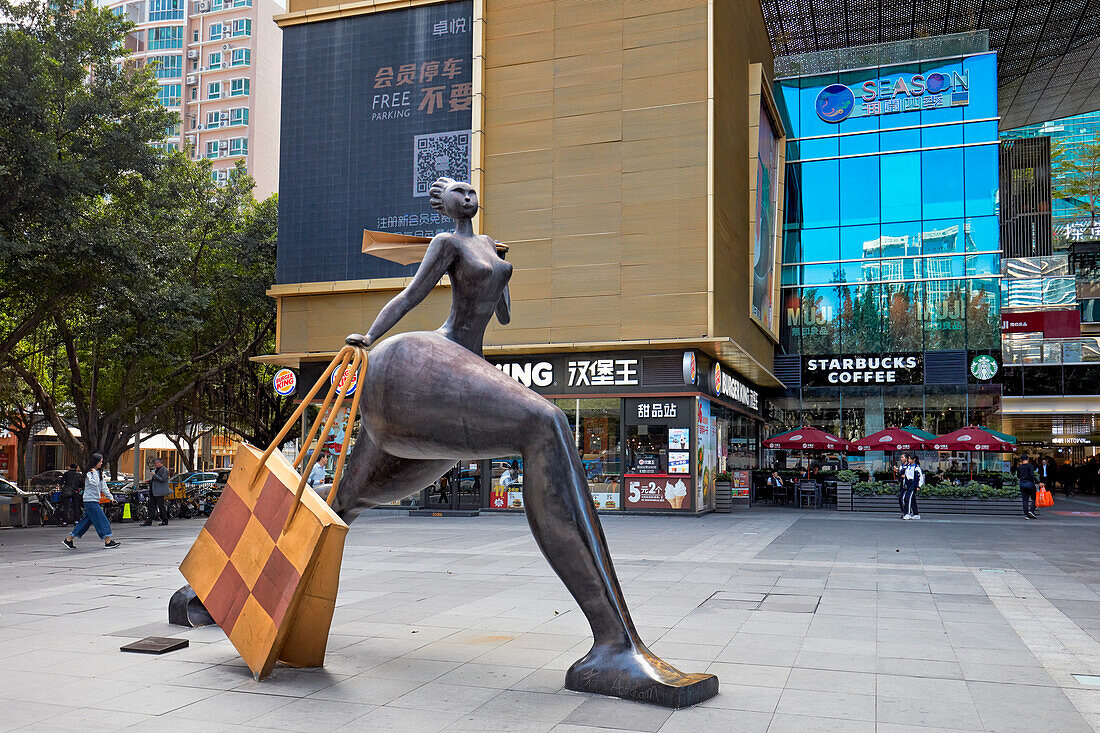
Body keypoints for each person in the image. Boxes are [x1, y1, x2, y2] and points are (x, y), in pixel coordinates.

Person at [335, 177, 715, 702]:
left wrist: (502, 275)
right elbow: (411, 295)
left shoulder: (489, 247)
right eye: (456, 193)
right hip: (418, 363)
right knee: (547, 422)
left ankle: (230, 589)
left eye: (470, 192)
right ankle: (613, 642)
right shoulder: (448, 244)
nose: (467, 198)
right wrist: (367, 339)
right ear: (441, 205)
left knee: (345, 497)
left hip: (461, 366)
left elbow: (504, 314)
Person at [62, 453, 120, 549]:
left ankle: (68, 539)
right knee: (102, 520)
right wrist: (94, 473)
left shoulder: (99, 473)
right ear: (95, 462)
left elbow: (104, 487)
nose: (101, 463)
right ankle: (108, 541)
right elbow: (94, 483)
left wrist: (111, 498)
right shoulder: (89, 473)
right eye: (100, 461)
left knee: (85, 522)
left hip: (93, 501)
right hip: (90, 501)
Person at [143, 457, 170, 526]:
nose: (155, 465)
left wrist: (154, 475)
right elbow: (156, 480)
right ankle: (149, 521)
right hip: (154, 491)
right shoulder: (158, 470)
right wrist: (150, 481)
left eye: (155, 463)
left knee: (161, 506)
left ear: (159, 463)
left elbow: (162, 479)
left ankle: (165, 520)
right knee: (151, 506)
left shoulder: (164, 470)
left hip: (159, 491)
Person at [901, 454, 923, 520]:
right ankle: (916, 514)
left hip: (913, 484)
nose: (909, 460)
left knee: (908, 498)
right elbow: (906, 475)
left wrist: (919, 486)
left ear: (914, 460)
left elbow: (920, 477)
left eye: (910, 459)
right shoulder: (908, 466)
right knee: (912, 499)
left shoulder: (916, 468)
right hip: (908, 483)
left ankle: (908, 513)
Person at [1017, 454, 1039, 520]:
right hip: (1030, 484)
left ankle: (1026, 514)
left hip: (1022, 484)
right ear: (1028, 459)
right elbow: (1032, 475)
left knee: (1025, 500)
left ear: (1021, 460)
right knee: (1035, 498)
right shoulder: (1030, 466)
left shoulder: (1019, 467)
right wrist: (1038, 481)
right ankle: (1031, 510)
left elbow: (1018, 476)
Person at [893, 453, 909, 518]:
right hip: (902, 484)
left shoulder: (909, 466)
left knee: (905, 498)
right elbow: (899, 477)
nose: (901, 459)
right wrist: (897, 472)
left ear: (907, 458)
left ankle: (907, 512)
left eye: (903, 457)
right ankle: (904, 512)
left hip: (908, 484)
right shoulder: (901, 466)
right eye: (901, 457)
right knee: (901, 498)